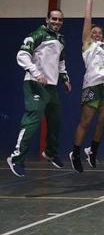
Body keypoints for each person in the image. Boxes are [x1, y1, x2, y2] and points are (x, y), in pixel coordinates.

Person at [7, 9, 71, 177]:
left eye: (60, 20)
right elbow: (22, 55)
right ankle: (16, 158)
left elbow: (61, 61)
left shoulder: (60, 39)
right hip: (34, 83)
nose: (57, 22)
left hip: (51, 86)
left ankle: (50, 152)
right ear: (47, 19)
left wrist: (65, 78)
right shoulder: (38, 34)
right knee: (33, 120)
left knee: (55, 120)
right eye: (54, 19)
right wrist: (36, 73)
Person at [70, 0, 104, 173]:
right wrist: (90, 0)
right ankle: (75, 152)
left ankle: (93, 149)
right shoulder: (88, 44)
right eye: (94, 32)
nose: (97, 34)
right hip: (92, 84)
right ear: (90, 34)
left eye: (100, 32)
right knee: (86, 120)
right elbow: (87, 21)